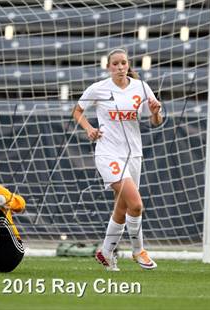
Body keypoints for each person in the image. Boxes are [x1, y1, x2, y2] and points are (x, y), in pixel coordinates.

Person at [72, 48, 162, 271]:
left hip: (134, 154)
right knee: (136, 204)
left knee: (122, 208)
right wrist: (89, 129)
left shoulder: (141, 87)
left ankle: (105, 251)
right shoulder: (99, 88)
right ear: (109, 67)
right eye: (116, 64)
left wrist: (155, 112)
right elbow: (77, 111)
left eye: (124, 63)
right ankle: (138, 250)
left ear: (128, 65)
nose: (120, 67)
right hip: (108, 153)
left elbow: (156, 122)